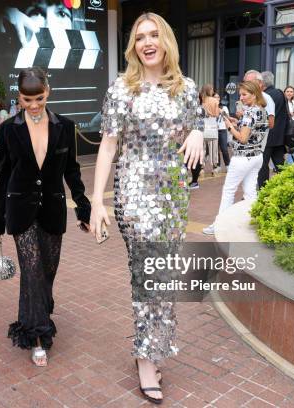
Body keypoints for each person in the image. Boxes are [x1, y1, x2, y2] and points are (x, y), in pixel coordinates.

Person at [90, 13, 205, 404]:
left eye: (154, 35)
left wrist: (198, 132)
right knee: (148, 275)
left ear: (167, 40)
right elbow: (107, 146)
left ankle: (155, 348)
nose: (148, 42)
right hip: (134, 196)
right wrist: (96, 201)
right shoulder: (122, 90)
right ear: (133, 46)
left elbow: (195, 123)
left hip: (173, 197)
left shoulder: (186, 89)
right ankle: (145, 356)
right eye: (140, 37)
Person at [0, 67, 91, 367]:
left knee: (48, 270)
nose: (33, 105)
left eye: (39, 98)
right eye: (26, 99)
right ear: (18, 97)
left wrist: (83, 207)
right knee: (32, 270)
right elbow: (3, 175)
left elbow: (71, 171)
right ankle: (37, 335)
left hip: (53, 208)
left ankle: (36, 313)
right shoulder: (9, 129)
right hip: (20, 210)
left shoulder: (65, 126)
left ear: (48, 91)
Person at [203, 81, 268, 235]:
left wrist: (230, 127)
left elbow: (243, 138)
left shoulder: (250, 112)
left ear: (254, 94)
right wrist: (237, 122)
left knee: (229, 191)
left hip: (242, 158)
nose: (241, 97)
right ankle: (255, 223)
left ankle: (219, 225)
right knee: (251, 192)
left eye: (244, 94)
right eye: (240, 94)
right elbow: (252, 131)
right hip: (257, 156)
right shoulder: (261, 110)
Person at [258, 71, 289, 188]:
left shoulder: (264, 96)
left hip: (266, 136)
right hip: (279, 137)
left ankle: (263, 189)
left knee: (263, 165)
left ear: (262, 83)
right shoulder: (280, 93)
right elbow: (285, 115)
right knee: (280, 165)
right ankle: (287, 187)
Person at [189, 84, 219, 189]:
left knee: (201, 149)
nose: (213, 91)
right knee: (213, 148)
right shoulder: (214, 100)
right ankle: (214, 167)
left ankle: (201, 168)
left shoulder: (199, 100)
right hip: (211, 127)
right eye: (212, 89)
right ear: (209, 90)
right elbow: (216, 114)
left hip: (200, 127)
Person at [214, 92, 231, 169]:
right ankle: (217, 166)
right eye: (215, 97)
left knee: (224, 149)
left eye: (218, 97)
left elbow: (228, 118)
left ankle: (228, 165)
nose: (216, 98)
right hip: (214, 130)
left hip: (222, 130)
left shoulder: (224, 107)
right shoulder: (211, 107)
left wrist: (221, 111)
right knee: (215, 149)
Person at [284, 86, 294, 164]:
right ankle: (277, 165)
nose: (289, 93)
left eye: (291, 91)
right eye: (287, 91)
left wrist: (293, 114)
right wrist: (291, 114)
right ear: (284, 92)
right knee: (283, 147)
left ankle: (290, 164)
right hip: (285, 127)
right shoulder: (283, 102)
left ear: (293, 94)